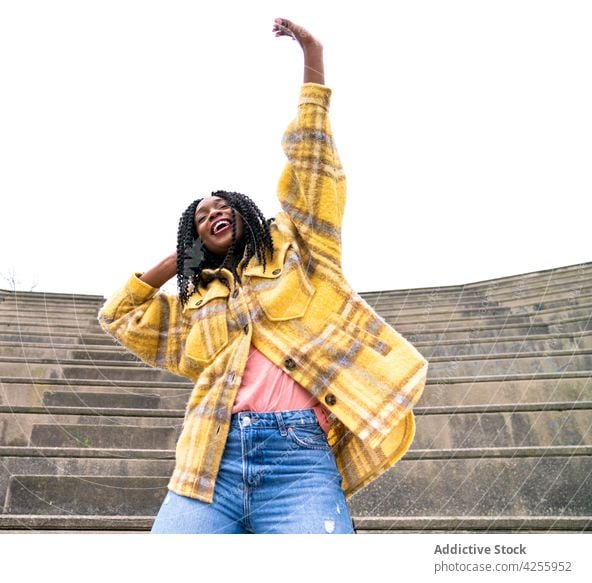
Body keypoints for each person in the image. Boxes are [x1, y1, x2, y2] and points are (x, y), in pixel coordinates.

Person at [98, 18, 429, 534]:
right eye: (201, 217)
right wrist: (178, 261)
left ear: (245, 214)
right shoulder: (194, 303)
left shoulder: (299, 248)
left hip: (299, 460)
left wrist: (312, 61)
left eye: (222, 206)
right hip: (210, 458)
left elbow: (314, 168)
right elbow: (119, 315)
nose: (213, 214)